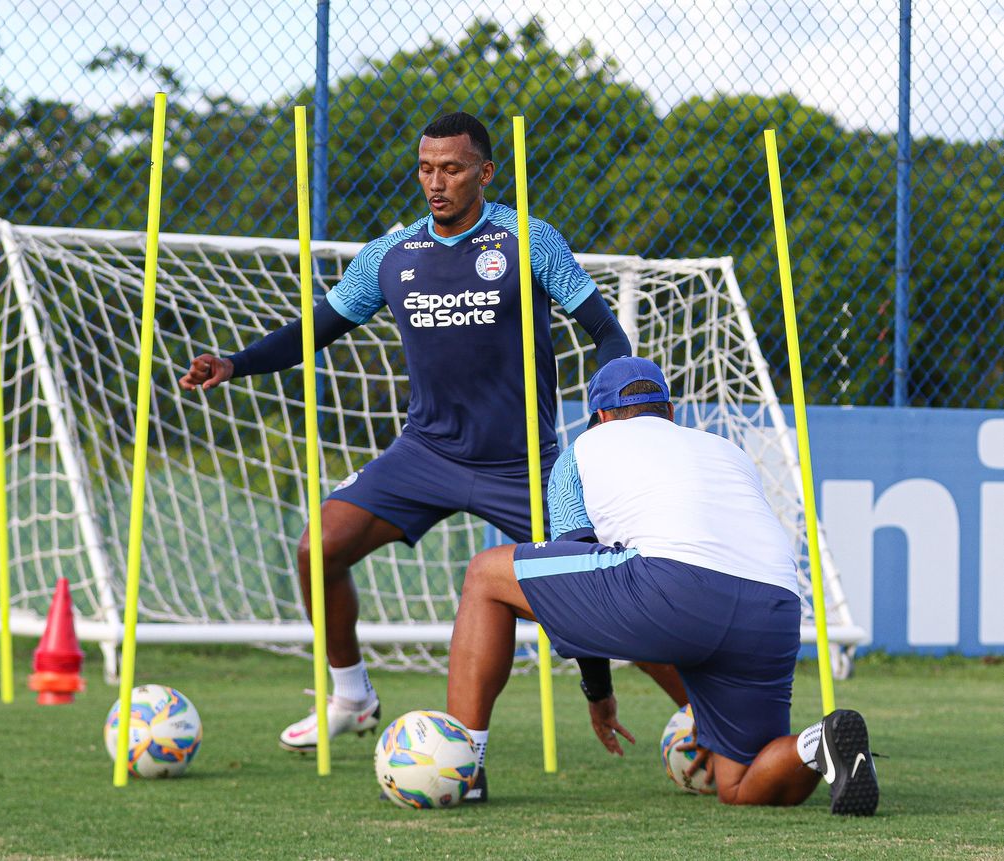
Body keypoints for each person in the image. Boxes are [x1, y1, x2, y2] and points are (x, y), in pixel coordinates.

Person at [179, 112, 638, 762]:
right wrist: (234, 362)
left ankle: (700, 717)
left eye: (451, 168)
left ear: (483, 171)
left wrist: (611, 406)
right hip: (425, 454)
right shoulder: (391, 255)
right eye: (426, 168)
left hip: (520, 463)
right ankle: (351, 695)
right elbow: (315, 328)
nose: (435, 182)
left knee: (596, 592)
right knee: (320, 547)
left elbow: (606, 332)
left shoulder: (527, 240)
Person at [444, 355, 880, 814]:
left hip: (675, 588)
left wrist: (598, 693)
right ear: (670, 412)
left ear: (601, 418)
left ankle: (464, 765)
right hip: (775, 608)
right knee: (738, 782)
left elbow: (579, 568)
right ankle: (818, 744)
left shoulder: (583, 451)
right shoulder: (725, 449)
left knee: (485, 575)